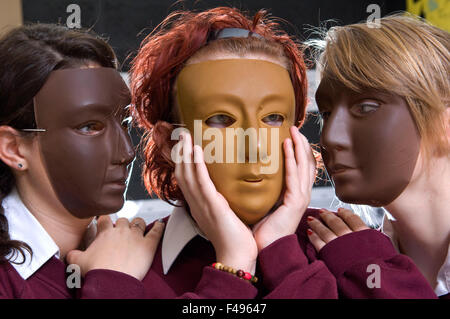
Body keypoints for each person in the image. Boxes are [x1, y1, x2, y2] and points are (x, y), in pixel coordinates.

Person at [129, 7, 338, 298]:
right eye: (221, 120)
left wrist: (281, 252)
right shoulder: (126, 270)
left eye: (273, 118)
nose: (255, 149)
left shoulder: (347, 254)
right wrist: (234, 262)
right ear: (170, 143)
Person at [0, 24, 164, 299]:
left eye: (124, 123)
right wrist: (111, 283)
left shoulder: (140, 250)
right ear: (14, 148)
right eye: (89, 127)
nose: (127, 152)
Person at [307, 14, 449, 298]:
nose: (330, 138)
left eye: (367, 107)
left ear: (445, 121)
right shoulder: (335, 257)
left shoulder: (356, 263)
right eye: (326, 113)